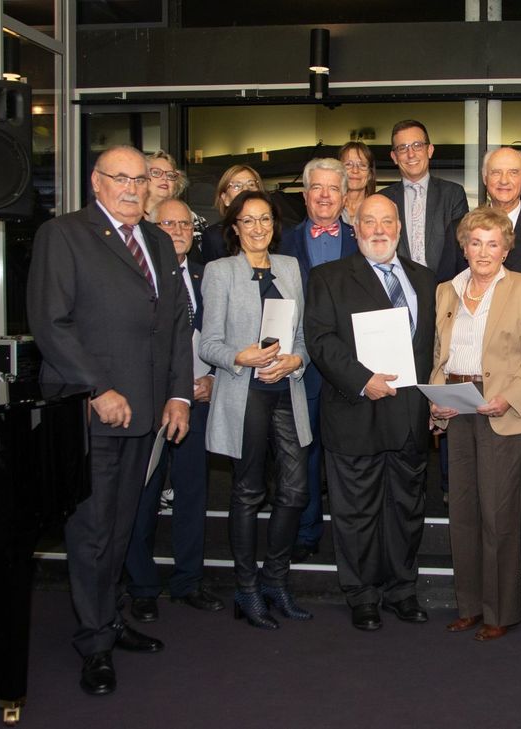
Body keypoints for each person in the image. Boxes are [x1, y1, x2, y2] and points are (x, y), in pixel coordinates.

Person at [26, 145, 193, 696]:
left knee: (121, 528)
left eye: (139, 179)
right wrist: (96, 389)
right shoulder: (64, 235)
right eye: (119, 178)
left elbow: (173, 326)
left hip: (146, 415)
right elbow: (50, 323)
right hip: (91, 413)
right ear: (95, 182)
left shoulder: (158, 243)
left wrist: (178, 397)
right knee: (93, 531)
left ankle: (110, 619)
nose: (130, 187)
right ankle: (94, 643)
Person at [304, 193, 436, 632]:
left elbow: (434, 346)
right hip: (355, 412)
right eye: (369, 221)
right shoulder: (327, 277)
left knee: (406, 509)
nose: (378, 229)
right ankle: (361, 595)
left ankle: (402, 590)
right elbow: (321, 341)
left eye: (387, 221)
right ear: (354, 227)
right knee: (355, 513)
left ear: (399, 228)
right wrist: (363, 379)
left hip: (411, 417)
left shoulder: (426, 279)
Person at [438, 146, 521, 572]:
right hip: (463, 393)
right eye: (496, 173)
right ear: (485, 178)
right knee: (468, 493)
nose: (505, 180)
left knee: (520, 482)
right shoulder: (466, 231)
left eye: (514, 172)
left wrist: (520, 387)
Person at [429, 207, 521, 641]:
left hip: (502, 408)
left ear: (506, 248)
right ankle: (469, 606)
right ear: (463, 247)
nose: (483, 251)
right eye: (475, 242)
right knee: (461, 513)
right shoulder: (446, 290)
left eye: (493, 243)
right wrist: (436, 402)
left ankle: (500, 612)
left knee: (498, 516)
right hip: (457, 408)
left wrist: (508, 398)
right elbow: (438, 355)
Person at [200, 190, 314, 630]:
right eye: (248, 221)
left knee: (295, 490)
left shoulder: (289, 268)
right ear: (234, 227)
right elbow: (209, 343)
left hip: (286, 391)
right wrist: (240, 357)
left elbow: (301, 338)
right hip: (243, 392)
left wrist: (295, 360)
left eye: (265, 219)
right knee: (248, 493)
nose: (258, 228)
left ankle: (275, 582)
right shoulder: (220, 271)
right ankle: (246, 590)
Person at [124, 198, 224, 622]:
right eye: (168, 223)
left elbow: (226, 335)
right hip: (150, 404)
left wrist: (214, 382)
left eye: (185, 224)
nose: (179, 230)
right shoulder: (138, 276)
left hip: (199, 402)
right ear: (152, 227)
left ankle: (188, 580)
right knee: (142, 496)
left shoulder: (208, 277)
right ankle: (142, 585)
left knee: (192, 494)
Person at [279, 158, 360, 564]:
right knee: (304, 452)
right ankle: (308, 530)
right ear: (305, 194)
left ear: (346, 196)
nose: (325, 195)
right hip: (302, 366)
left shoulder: (363, 236)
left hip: (351, 364)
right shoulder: (283, 242)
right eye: (317, 188)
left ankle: (352, 532)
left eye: (333, 188)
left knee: (347, 453)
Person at [380, 119, 469, 272]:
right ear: (394, 157)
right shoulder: (382, 200)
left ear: (430, 150)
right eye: (402, 148)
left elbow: (461, 249)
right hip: (397, 288)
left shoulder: (453, 194)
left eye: (417, 145)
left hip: (442, 289)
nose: (411, 154)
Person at [144, 151, 206, 259]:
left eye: (170, 175)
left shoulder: (195, 221)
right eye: (156, 173)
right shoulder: (131, 221)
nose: (165, 178)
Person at [199, 164, 264, 263]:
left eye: (251, 184)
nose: (246, 190)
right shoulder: (214, 237)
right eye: (237, 186)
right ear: (225, 198)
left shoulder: (274, 230)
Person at [340, 141, 376, 225]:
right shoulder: (329, 207)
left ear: (370, 174)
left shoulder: (379, 208)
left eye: (362, 165)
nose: (355, 170)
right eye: (348, 164)